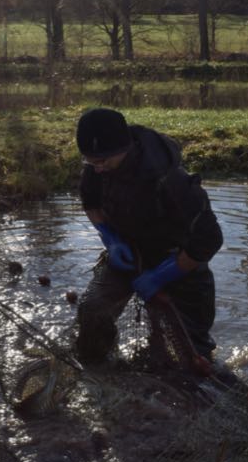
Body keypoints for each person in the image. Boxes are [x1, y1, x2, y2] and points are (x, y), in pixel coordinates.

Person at [74, 107, 224, 369]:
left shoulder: (171, 180)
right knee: (93, 311)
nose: (96, 169)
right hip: (129, 256)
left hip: (181, 261)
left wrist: (162, 275)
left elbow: (209, 239)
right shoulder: (96, 167)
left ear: (125, 148)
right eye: (90, 162)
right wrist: (111, 240)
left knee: (185, 355)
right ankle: (99, 372)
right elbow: (91, 203)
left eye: (103, 161)